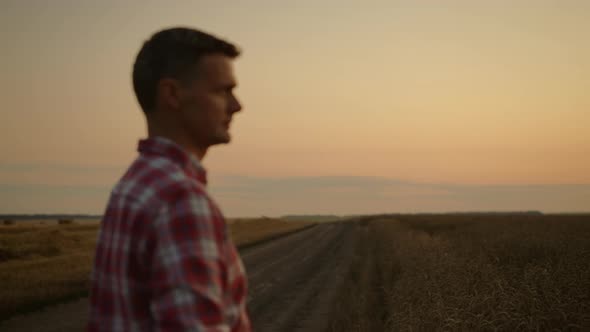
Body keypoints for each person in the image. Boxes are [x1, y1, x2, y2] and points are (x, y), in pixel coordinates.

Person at [87, 27, 250, 331]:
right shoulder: (181, 199)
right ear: (172, 94)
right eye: (222, 91)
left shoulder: (135, 183)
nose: (237, 105)